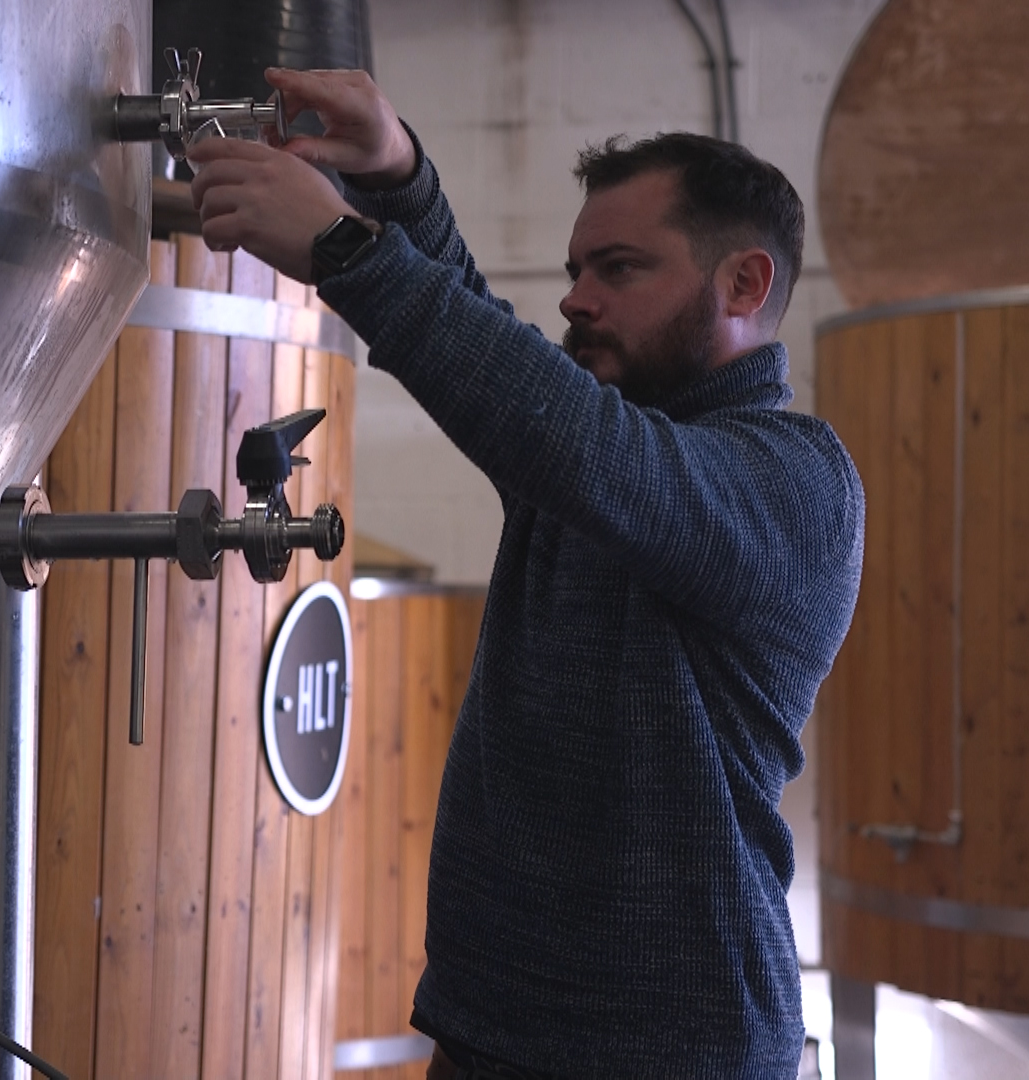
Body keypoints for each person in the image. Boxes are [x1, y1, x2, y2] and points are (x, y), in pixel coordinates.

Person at [189, 68, 864, 1079]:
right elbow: (505, 358)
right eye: (576, 267)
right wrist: (398, 174)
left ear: (744, 285)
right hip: (489, 1032)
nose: (576, 298)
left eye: (620, 270)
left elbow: (583, 443)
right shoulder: (592, 451)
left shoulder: (797, 483)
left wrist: (344, 247)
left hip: (676, 1054)